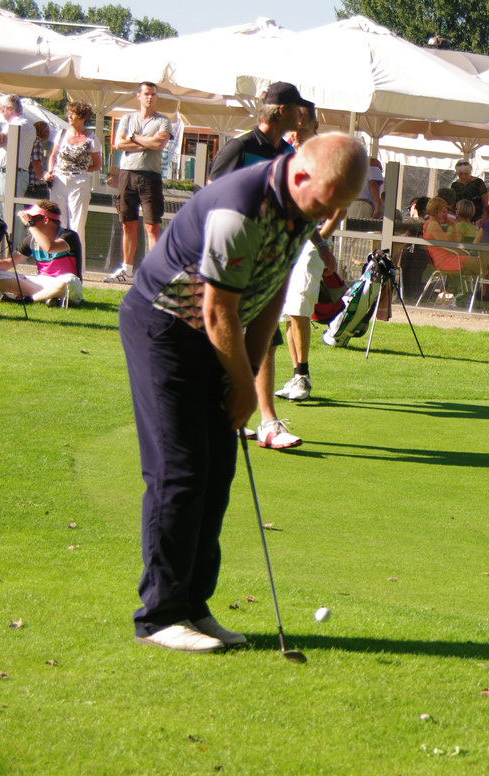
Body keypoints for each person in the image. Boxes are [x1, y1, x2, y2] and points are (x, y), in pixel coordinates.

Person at [118, 133, 366, 653]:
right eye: (328, 203)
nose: (330, 216)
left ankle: (193, 605)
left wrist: (248, 371)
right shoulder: (240, 209)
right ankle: (159, 616)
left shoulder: (300, 208)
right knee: (180, 470)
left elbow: (272, 292)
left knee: (217, 470)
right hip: (164, 327)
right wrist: (245, 389)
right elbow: (217, 311)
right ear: (301, 174)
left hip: (215, 330)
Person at [207, 81, 316, 447]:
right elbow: (212, 196)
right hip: (232, 258)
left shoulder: (287, 154)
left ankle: (266, 421)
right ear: (282, 111)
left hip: (266, 262)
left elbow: (296, 206)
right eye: (297, 108)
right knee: (230, 336)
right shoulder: (240, 147)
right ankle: (230, 411)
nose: (301, 115)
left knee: (266, 338)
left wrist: (320, 244)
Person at [275, 108, 345, 404]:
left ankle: (303, 375)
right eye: (293, 127)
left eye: (301, 127)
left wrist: (321, 241)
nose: (295, 133)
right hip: (284, 242)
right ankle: (296, 374)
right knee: (289, 311)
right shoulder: (286, 156)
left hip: (310, 244)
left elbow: (341, 205)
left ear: (314, 126)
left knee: (300, 307)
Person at [105, 82, 172, 284]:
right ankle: (127, 271)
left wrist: (133, 138)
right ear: (139, 96)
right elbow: (118, 143)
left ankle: (154, 273)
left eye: (153, 94)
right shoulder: (127, 118)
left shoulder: (163, 121)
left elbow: (159, 144)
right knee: (128, 224)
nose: (150, 97)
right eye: (146, 94)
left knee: (152, 225)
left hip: (150, 176)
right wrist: (146, 141)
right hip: (127, 174)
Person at [0, 201, 82, 306]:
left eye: (32, 219)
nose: (29, 222)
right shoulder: (31, 240)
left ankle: (28, 299)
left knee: (70, 281)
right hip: (42, 282)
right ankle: (47, 297)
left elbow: (50, 247)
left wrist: (30, 225)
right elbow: (9, 262)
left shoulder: (70, 236)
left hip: (64, 282)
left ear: (46, 219)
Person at [46, 101, 101, 236]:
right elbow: (53, 155)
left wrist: (80, 169)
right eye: (69, 113)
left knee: (77, 224)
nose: (69, 116)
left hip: (79, 181)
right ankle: (58, 249)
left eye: (73, 114)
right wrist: (49, 172)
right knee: (57, 220)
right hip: (58, 179)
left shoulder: (92, 139)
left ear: (83, 118)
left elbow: (97, 165)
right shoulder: (61, 134)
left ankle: (75, 249)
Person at [0, 95, 43, 198]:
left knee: (12, 207)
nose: (1, 113)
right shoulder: (10, 124)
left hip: (13, 174)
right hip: (3, 174)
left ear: (9, 109)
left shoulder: (23, 123)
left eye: (1, 110)